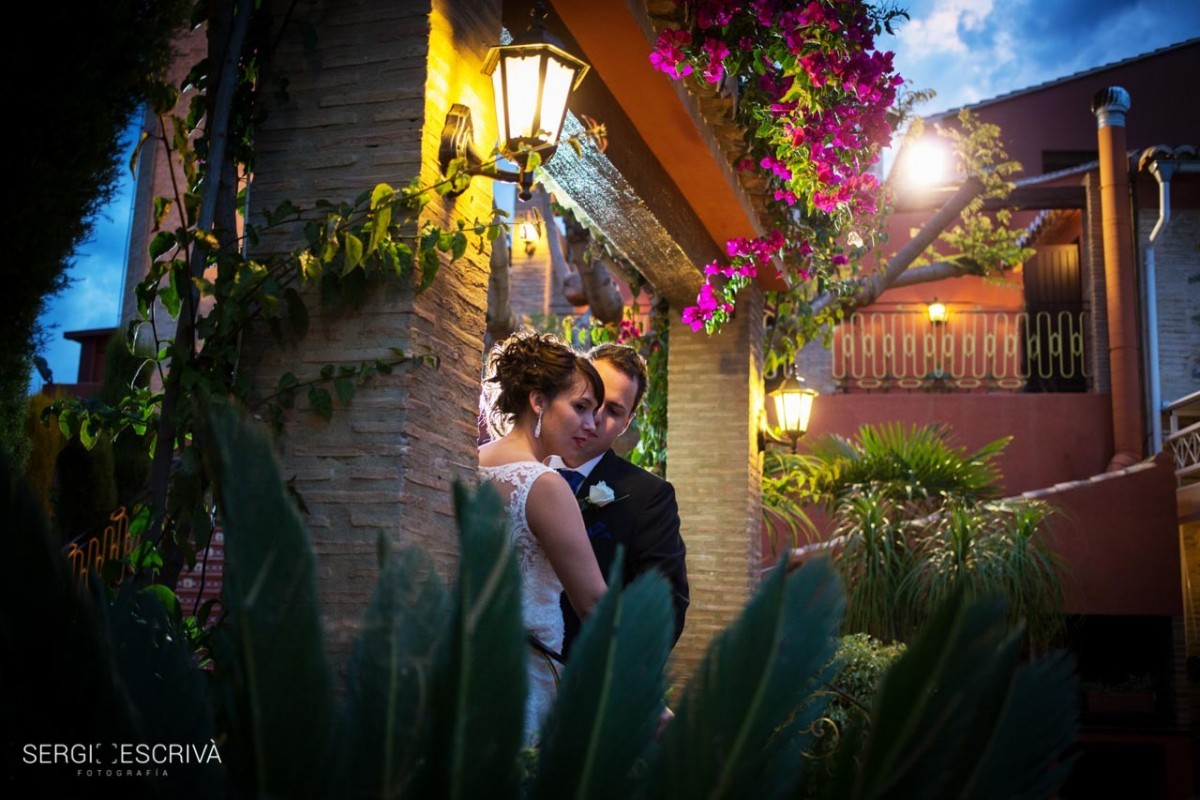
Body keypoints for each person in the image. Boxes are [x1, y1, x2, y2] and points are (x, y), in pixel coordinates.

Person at [477, 331, 609, 743]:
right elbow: (594, 603)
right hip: (526, 679)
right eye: (581, 407)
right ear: (538, 401)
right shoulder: (544, 484)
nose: (592, 425)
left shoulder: (469, 464)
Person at [551, 343, 689, 658]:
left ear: (627, 422)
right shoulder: (518, 470)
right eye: (588, 400)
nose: (595, 418)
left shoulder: (648, 497)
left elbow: (663, 606)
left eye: (613, 410)